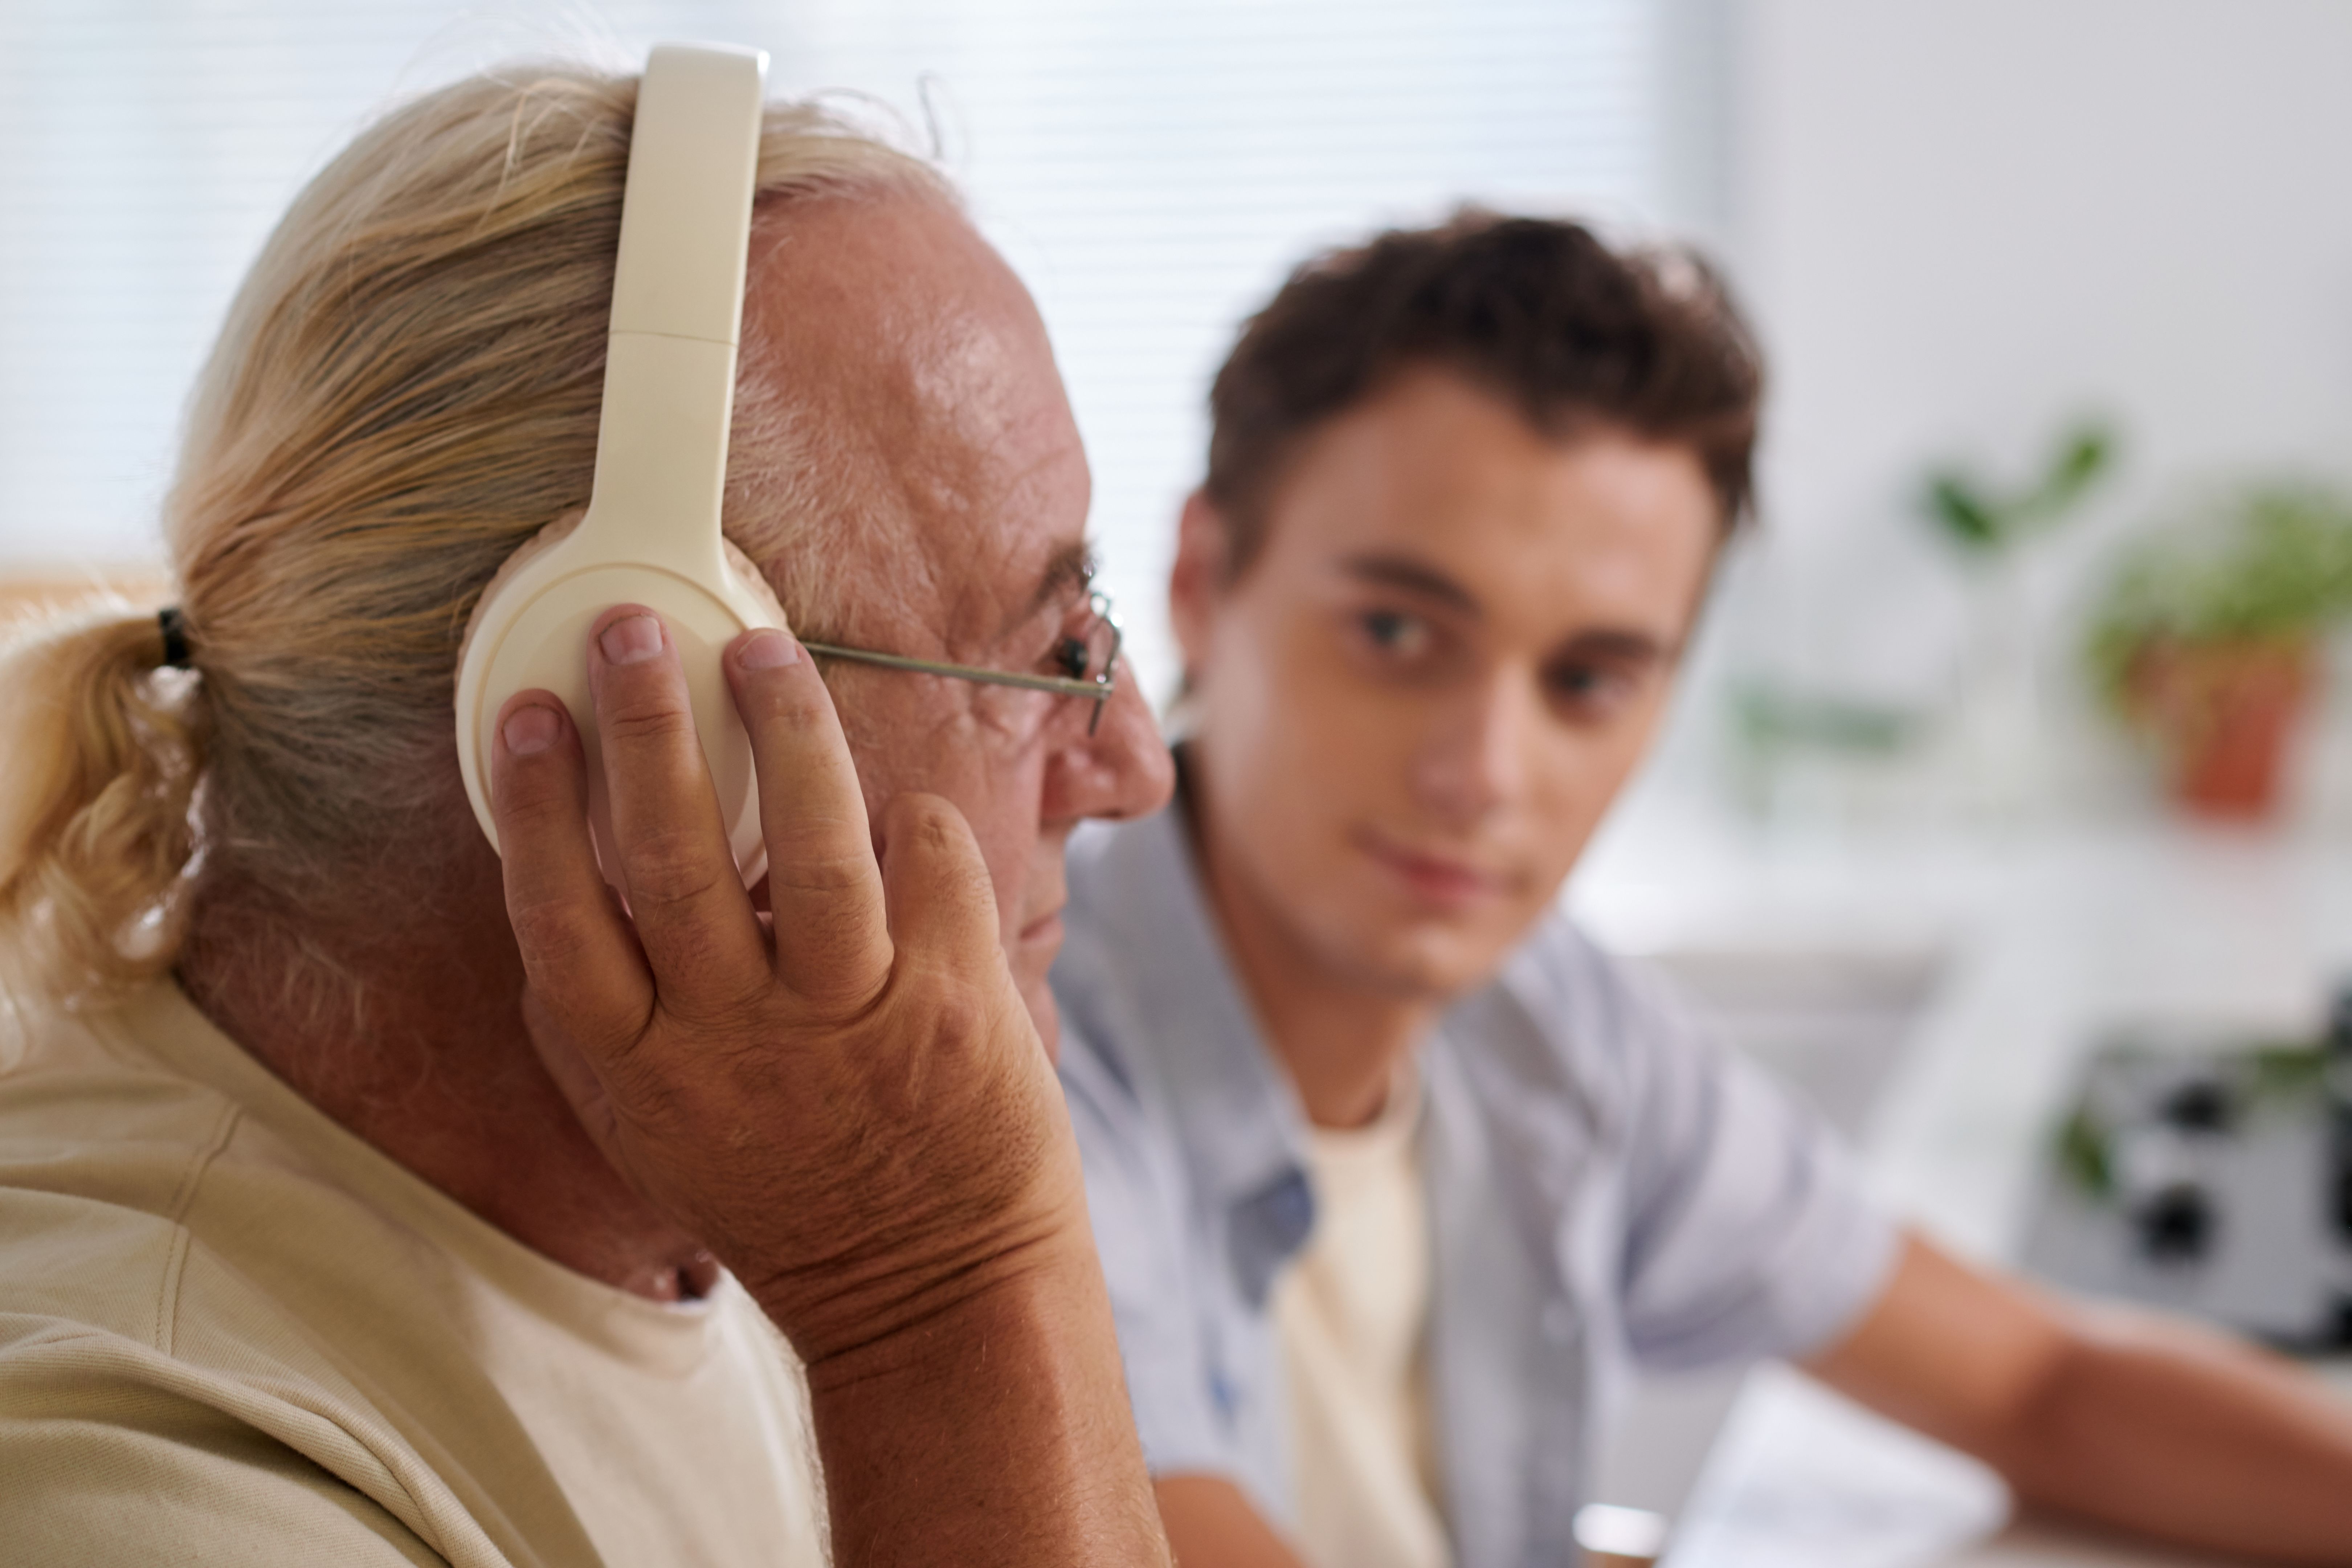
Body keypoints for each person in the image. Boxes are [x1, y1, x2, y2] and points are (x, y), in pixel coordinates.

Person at [0, 61, 1177, 1567]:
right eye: (1047, 654)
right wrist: (937, 1295)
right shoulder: (143, 1479)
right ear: (638, 700)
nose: (1133, 763)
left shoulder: (744, 1206)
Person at [1053, 212, 2352, 1568]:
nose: (1485, 773)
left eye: (1588, 680)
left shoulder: (1550, 1020)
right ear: (1201, 579)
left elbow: (2039, 1386)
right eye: (1397, 632)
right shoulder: (1028, 1078)